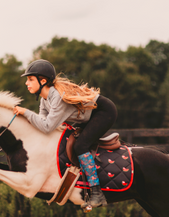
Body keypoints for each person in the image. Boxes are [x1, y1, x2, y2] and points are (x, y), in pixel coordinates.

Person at [13, 59, 117, 208]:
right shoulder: (44, 99)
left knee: (81, 146)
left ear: (43, 81)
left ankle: (97, 193)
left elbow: (47, 126)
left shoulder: (57, 97)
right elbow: (41, 123)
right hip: (86, 115)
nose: (26, 83)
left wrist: (26, 112)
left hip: (103, 112)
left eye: (30, 79)